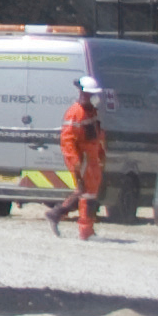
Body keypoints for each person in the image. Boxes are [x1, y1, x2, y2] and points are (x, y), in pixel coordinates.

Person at [55, 77, 109, 239]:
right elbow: (67, 140)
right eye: (87, 94)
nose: (89, 97)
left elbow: (97, 137)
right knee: (86, 195)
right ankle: (85, 231)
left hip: (92, 159)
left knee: (90, 195)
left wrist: (101, 154)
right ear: (81, 93)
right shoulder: (75, 112)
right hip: (83, 160)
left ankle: (61, 216)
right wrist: (75, 161)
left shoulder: (91, 111)